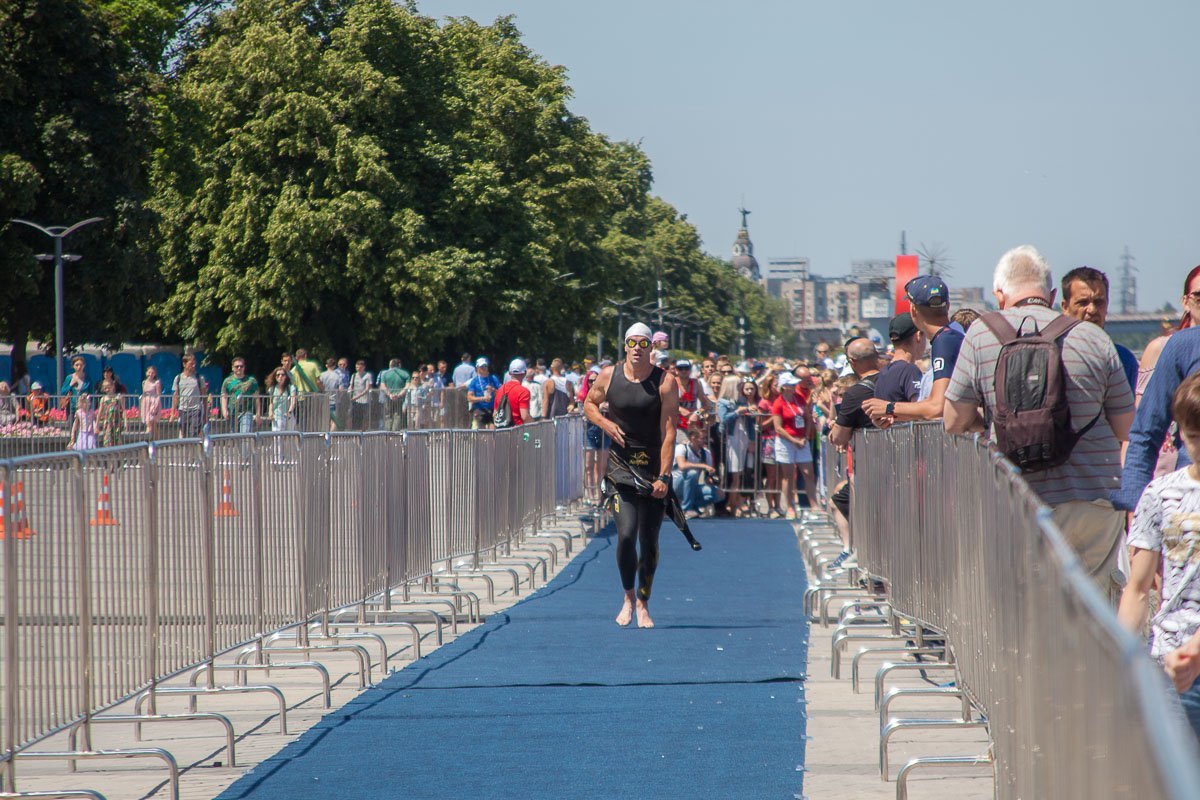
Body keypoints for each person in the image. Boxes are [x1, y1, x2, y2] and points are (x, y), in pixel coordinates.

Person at [946, 245, 1134, 600]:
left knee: (1031, 605)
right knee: (1092, 609)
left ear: (999, 294)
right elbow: (1127, 430)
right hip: (1094, 496)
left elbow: (953, 422)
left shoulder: (980, 336)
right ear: (1050, 296)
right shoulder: (1093, 337)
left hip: (1023, 497)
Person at [1118, 372, 1200, 740]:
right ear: (1180, 433)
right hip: (1170, 657)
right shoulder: (1159, 494)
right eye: (1195, 437)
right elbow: (1137, 588)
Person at [584, 323, 679, 629]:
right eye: (632, 342)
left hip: (652, 468)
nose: (637, 348)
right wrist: (605, 424)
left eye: (644, 343)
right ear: (624, 346)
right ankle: (627, 596)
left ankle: (643, 602)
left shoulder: (665, 382)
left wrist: (664, 476)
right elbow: (588, 403)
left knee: (648, 541)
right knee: (625, 536)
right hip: (620, 468)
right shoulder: (609, 375)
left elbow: (669, 432)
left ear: (652, 348)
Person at [862, 275, 964, 425]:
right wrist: (893, 414)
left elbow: (938, 408)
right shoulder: (949, 336)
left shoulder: (945, 340)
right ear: (947, 306)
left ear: (913, 310)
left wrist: (890, 407)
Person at [827, 338, 883, 557]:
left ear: (851, 361)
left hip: (870, 467)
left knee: (866, 513)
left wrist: (834, 432)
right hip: (902, 460)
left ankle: (854, 553)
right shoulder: (891, 381)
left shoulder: (855, 393)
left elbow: (839, 437)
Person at [1060, 266, 1138, 390]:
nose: (1092, 310)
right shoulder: (1053, 357)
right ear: (1065, 307)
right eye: (1083, 302)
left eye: (1098, 302)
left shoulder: (1122, 360)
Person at [772, 373, 817, 519]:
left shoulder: (799, 398)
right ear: (783, 387)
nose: (793, 386)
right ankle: (790, 506)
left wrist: (805, 436)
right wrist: (794, 440)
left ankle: (814, 505)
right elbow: (778, 427)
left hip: (802, 440)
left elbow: (807, 418)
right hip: (786, 442)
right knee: (788, 476)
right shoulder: (778, 403)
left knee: (808, 473)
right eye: (790, 384)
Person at [717, 375, 758, 516]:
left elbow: (751, 423)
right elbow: (723, 419)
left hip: (744, 438)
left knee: (741, 473)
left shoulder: (742, 400)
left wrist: (752, 440)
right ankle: (732, 504)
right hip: (732, 439)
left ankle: (737, 503)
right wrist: (737, 412)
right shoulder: (723, 402)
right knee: (735, 474)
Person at [672, 424, 722, 518]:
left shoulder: (706, 453)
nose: (704, 441)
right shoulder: (682, 448)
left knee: (716, 494)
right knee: (692, 473)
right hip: (676, 485)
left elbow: (708, 478)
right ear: (693, 438)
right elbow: (682, 465)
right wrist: (702, 466)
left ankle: (695, 508)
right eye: (701, 438)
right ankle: (685, 509)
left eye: (704, 438)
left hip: (692, 486)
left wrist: (712, 481)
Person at [172, 354, 209, 439]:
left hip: (196, 409)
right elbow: (175, 395)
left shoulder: (199, 378)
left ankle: (193, 451)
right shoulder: (178, 378)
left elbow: (204, 396)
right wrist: (172, 412)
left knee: (194, 433)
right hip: (183, 409)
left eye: (194, 363)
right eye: (191, 364)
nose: (193, 366)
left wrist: (205, 414)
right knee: (184, 433)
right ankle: (186, 451)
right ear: (184, 364)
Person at [222, 356, 260, 434]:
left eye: (241, 366)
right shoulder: (227, 381)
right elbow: (224, 396)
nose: (239, 368)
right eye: (237, 366)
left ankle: (245, 446)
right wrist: (224, 410)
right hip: (232, 412)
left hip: (246, 412)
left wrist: (258, 413)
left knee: (245, 435)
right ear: (233, 368)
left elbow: (257, 398)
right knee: (233, 436)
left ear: (244, 367)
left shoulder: (251, 381)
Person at [494, 359, 533, 426]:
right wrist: (534, 424)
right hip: (517, 430)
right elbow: (525, 416)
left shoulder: (500, 389)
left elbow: (494, 414)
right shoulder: (523, 391)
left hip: (501, 431)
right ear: (525, 373)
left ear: (509, 373)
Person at [467, 358, 501, 429]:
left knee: (493, 431)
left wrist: (493, 389)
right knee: (481, 432)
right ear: (478, 368)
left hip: (492, 409)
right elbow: (469, 397)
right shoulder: (474, 381)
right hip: (480, 409)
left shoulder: (493, 378)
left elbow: (501, 392)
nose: (484, 368)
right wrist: (482, 398)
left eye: (485, 366)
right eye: (482, 367)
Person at [378, 358, 411, 431]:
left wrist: (389, 394)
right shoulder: (405, 374)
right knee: (397, 415)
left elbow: (383, 386)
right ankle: (395, 433)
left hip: (388, 398)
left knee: (388, 415)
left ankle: (387, 433)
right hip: (400, 398)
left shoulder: (385, 374)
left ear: (391, 365)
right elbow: (407, 386)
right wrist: (399, 395)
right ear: (399, 365)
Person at [267, 366, 298, 431]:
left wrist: (289, 412)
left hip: (287, 416)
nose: (280, 376)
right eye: (278, 375)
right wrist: (270, 412)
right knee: (277, 438)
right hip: (276, 416)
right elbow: (271, 403)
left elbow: (293, 401)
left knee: (289, 436)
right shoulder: (272, 389)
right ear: (275, 377)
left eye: (282, 375)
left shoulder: (290, 388)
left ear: (286, 376)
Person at [95, 379, 124, 448]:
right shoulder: (103, 399)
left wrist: (125, 421)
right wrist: (97, 425)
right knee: (108, 439)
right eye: (105, 388)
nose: (107, 389)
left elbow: (123, 410)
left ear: (113, 386)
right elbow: (99, 413)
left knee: (117, 438)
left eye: (108, 387)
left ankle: (118, 455)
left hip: (117, 422)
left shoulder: (118, 397)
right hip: (107, 422)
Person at [349, 359, 374, 431]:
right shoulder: (353, 375)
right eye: (356, 368)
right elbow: (351, 385)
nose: (358, 369)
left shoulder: (367, 375)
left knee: (364, 416)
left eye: (359, 368)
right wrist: (349, 391)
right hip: (355, 400)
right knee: (355, 416)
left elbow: (367, 389)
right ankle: (355, 431)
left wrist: (357, 396)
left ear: (363, 367)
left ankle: (363, 431)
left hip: (364, 400)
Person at [319, 358, 343, 430]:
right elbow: (341, 390)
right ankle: (331, 434)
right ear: (334, 366)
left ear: (326, 365)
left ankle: (324, 433)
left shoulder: (321, 375)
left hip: (323, 399)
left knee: (325, 418)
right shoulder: (337, 376)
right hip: (333, 400)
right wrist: (339, 398)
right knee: (334, 420)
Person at [140, 367, 162, 439]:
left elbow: (158, 395)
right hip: (146, 403)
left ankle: (150, 440)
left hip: (154, 402)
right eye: (149, 372)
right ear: (146, 373)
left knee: (151, 423)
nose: (150, 374)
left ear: (155, 374)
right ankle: (153, 441)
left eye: (152, 373)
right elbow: (143, 393)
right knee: (150, 423)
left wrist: (155, 406)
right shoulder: (144, 382)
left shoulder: (156, 382)